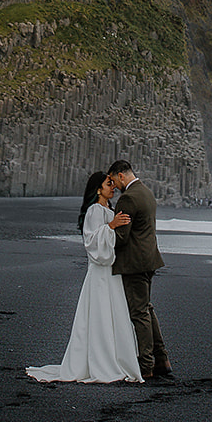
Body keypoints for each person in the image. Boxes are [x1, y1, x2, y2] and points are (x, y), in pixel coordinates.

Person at [25, 171, 143, 383]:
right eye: (108, 184)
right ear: (98, 188)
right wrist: (111, 226)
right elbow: (91, 242)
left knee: (112, 314)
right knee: (100, 315)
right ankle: (102, 362)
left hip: (111, 271)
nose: (112, 187)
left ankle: (115, 360)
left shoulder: (108, 209)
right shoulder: (95, 210)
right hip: (100, 273)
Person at [107, 158, 172, 380]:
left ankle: (146, 366)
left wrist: (105, 230)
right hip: (149, 259)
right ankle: (161, 358)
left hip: (134, 263)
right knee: (147, 308)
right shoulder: (146, 192)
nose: (114, 186)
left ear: (121, 175)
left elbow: (122, 237)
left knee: (139, 313)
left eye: (114, 180)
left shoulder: (128, 199)